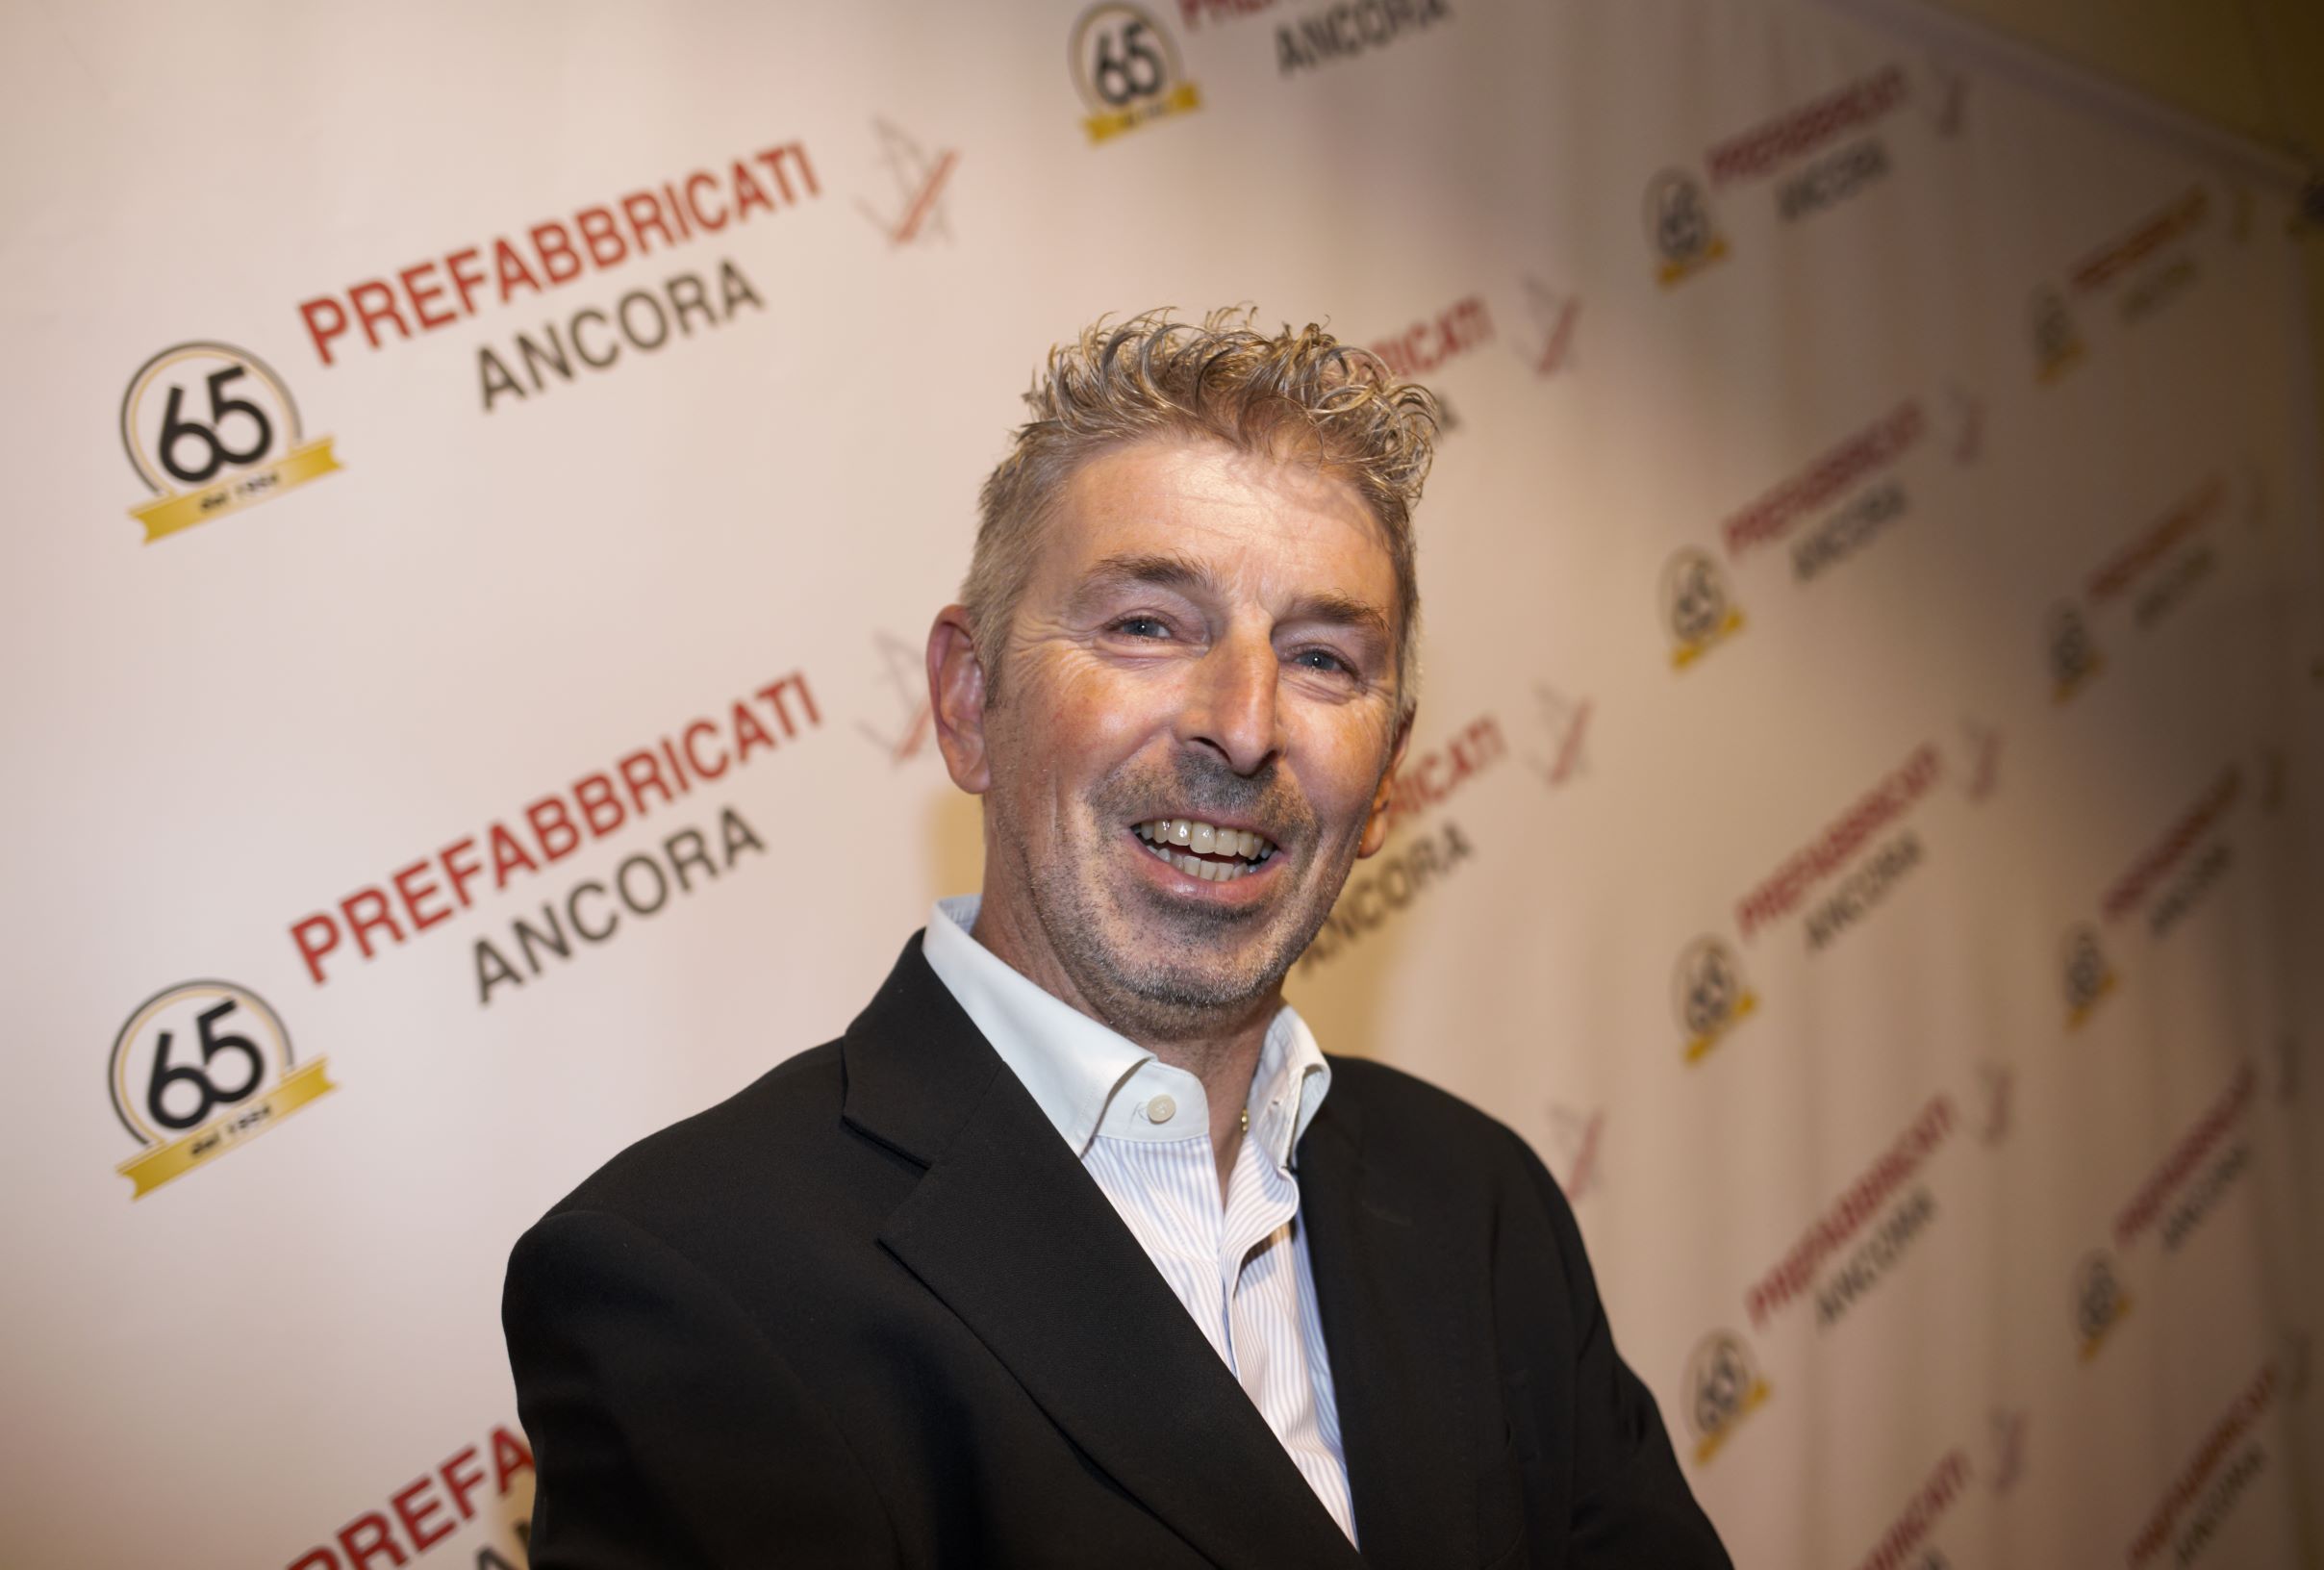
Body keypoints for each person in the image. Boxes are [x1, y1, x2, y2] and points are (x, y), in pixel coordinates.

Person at [503, 308, 1732, 1568]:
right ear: (967, 701)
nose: (1243, 726)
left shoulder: (1477, 1201)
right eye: (1148, 625)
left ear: (1387, 779)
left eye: (1321, 658)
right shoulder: (698, 1281)